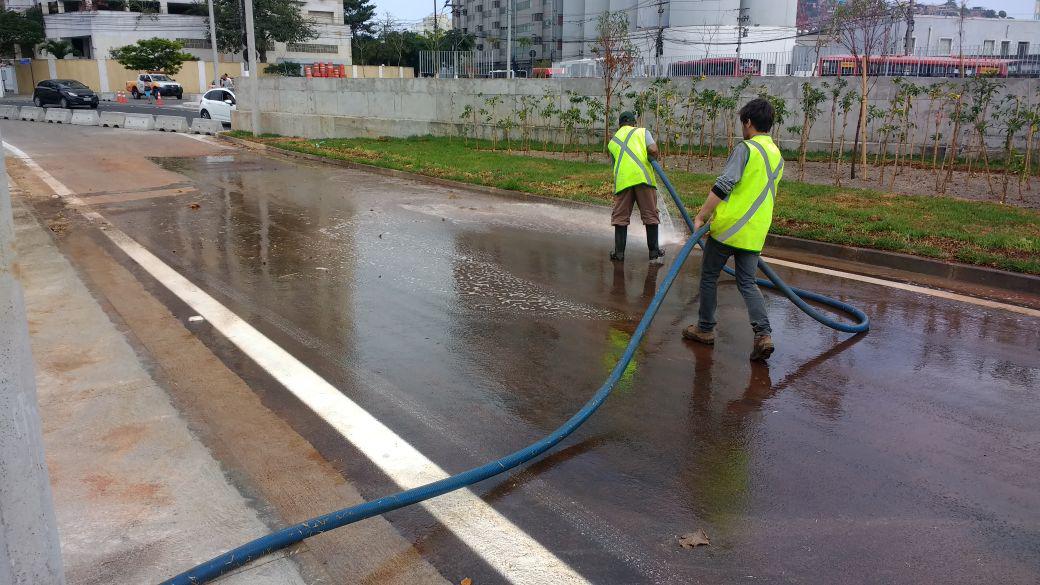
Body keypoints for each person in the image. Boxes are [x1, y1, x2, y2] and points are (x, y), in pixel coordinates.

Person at [682, 98, 784, 361]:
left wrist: (701, 216)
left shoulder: (745, 149)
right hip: (755, 232)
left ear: (748, 122)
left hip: (728, 229)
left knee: (709, 276)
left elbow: (724, 185)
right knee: (748, 282)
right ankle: (763, 335)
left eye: (742, 122)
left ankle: (705, 328)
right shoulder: (777, 155)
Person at [606, 111, 665, 263]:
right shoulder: (642, 132)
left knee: (620, 218)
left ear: (620, 125)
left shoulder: (613, 141)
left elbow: (615, 164)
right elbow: (653, 150)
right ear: (634, 123)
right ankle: (654, 253)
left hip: (624, 182)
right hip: (643, 179)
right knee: (650, 215)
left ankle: (619, 253)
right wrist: (653, 158)